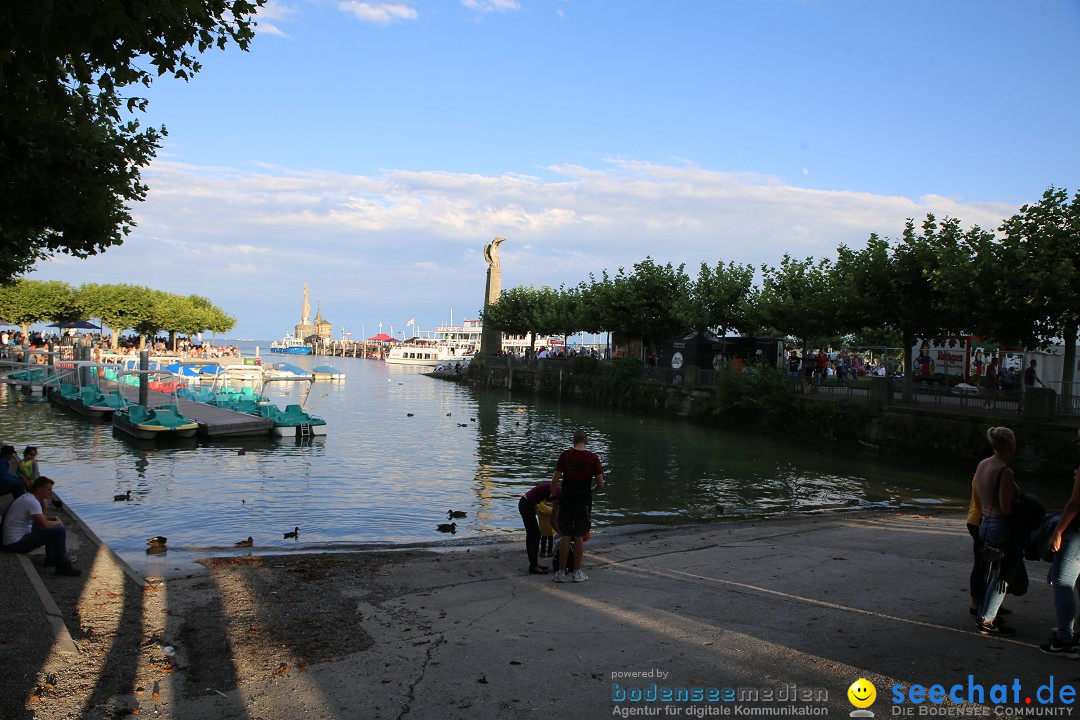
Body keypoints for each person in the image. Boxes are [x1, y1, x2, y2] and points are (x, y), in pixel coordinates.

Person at [974, 426, 1019, 635]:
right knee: (1002, 575)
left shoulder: (983, 464)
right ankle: (988, 620)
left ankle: (984, 614)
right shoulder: (1005, 471)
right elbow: (1006, 506)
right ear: (1010, 445)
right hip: (1000, 525)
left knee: (990, 571)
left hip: (985, 521)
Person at [1041, 430, 1080, 657]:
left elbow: (1074, 504)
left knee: (1062, 583)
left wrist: (1058, 531)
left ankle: (1064, 641)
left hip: (1076, 533)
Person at [551, 429, 605, 583]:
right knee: (579, 535)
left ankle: (561, 573)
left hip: (567, 500)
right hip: (583, 502)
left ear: (573, 440)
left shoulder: (565, 455)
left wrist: (554, 497)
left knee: (566, 535)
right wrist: (591, 490)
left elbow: (555, 480)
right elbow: (601, 485)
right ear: (586, 441)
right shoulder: (594, 458)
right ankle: (577, 573)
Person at [0, 477, 81, 576]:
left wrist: (52, 518)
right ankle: (63, 566)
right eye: (48, 490)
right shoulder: (33, 502)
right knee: (59, 530)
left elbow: (39, 517)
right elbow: (45, 525)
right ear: (39, 489)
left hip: (9, 540)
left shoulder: (27, 497)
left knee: (52, 526)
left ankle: (51, 559)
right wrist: (58, 522)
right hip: (14, 544)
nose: (50, 493)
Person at [519, 481, 559, 574]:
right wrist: (560, 532)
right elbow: (553, 519)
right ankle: (533, 566)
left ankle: (534, 564)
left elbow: (551, 506)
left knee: (531, 534)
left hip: (525, 503)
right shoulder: (558, 492)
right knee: (535, 535)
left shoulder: (556, 489)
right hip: (527, 504)